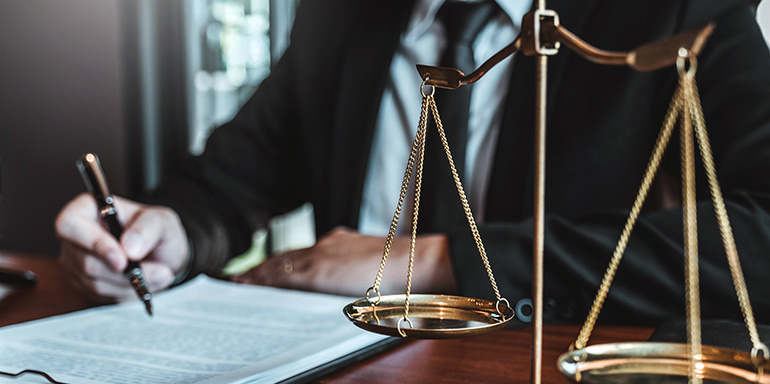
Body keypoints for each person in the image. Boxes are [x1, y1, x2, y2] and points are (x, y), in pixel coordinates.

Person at [56, 0, 770, 325]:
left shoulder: (679, 12)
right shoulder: (342, 16)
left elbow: (762, 237)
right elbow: (231, 179)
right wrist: (164, 233)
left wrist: (434, 260)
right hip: (340, 380)